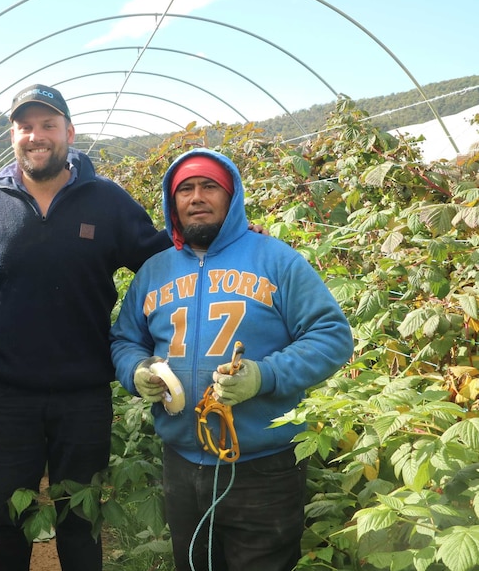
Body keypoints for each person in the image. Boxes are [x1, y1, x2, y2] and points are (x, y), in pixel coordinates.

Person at [0, 84, 173, 570]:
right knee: (7, 514)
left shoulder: (107, 201)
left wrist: (228, 244)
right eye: (25, 126)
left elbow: (162, 264)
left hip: (83, 392)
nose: (36, 135)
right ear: (13, 136)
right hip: (9, 393)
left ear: (69, 132)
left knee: (81, 515)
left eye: (47, 125)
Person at [110, 148, 354, 571]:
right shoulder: (154, 271)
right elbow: (125, 339)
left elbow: (332, 336)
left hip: (264, 467)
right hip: (182, 464)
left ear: (232, 196)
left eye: (209, 186)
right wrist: (136, 369)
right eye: (185, 189)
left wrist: (264, 375)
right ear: (173, 203)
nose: (196, 197)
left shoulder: (276, 260)